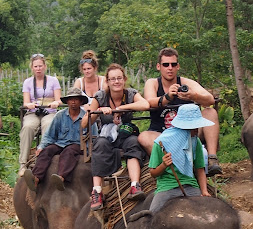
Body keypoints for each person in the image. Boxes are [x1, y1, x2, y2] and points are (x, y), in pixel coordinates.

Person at [138, 47, 222, 175]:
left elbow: (210, 100)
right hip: (163, 134)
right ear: (159, 66)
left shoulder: (186, 82)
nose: (170, 68)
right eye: (166, 64)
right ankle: (170, 166)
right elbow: (149, 102)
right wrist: (167, 97)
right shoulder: (153, 83)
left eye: (173, 64)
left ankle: (212, 158)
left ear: (178, 66)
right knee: (144, 136)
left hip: (189, 133)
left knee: (210, 112)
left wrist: (194, 96)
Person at [81, 63, 150, 211]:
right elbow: (85, 123)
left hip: (125, 134)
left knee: (133, 141)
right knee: (99, 144)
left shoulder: (130, 93)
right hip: (106, 135)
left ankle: (135, 185)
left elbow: (145, 105)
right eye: (113, 79)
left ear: (124, 79)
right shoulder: (101, 96)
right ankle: (97, 191)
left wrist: (121, 108)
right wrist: (98, 110)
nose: (116, 81)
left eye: (119, 78)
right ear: (107, 81)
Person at [23, 87, 95, 192]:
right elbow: (49, 135)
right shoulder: (60, 116)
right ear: (67, 102)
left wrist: (89, 149)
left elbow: (94, 136)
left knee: (69, 151)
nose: (73, 102)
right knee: (47, 150)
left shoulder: (87, 116)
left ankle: (61, 177)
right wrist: (41, 147)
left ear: (81, 101)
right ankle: (36, 177)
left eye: (76, 99)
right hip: (60, 143)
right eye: (70, 99)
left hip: (78, 145)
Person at [149, 103, 212, 212]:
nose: (197, 130)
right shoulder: (161, 143)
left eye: (197, 126)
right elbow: (153, 173)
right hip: (167, 187)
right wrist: (163, 165)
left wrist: (204, 191)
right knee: (152, 217)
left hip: (190, 185)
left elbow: (200, 169)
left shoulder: (195, 141)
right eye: (193, 127)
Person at [19, 54, 62, 176]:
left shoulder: (53, 81)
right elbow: (25, 102)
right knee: (27, 127)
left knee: (48, 125)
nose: (38, 68)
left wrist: (55, 103)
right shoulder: (27, 82)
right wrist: (30, 105)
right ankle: (23, 163)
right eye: (36, 66)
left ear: (45, 66)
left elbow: (59, 100)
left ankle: (42, 159)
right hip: (33, 112)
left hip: (49, 112)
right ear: (32, 68)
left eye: (40, 66)